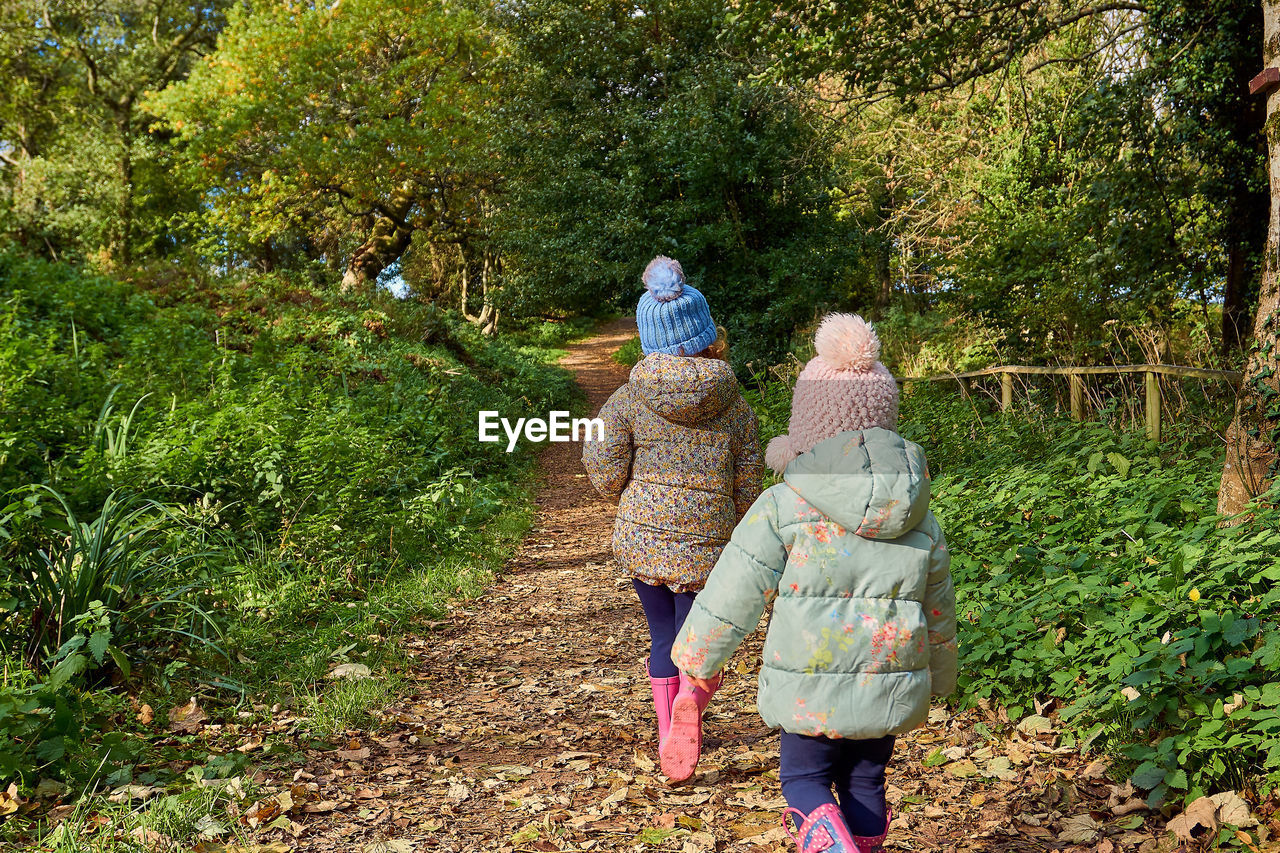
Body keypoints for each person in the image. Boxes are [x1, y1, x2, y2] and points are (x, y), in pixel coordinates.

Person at [671, 313, 957, 853]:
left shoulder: (784, 504)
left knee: (803, 781)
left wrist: (696, 665)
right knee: (866, 781)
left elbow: (733, 594)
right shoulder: (919, 514)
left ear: (808, 424)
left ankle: (826, 840)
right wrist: (939, 678)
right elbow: (937, 606)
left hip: (808, 688)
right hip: (888, 684)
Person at [583, 255, 762, 782]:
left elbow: (602, 458)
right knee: (697, 639)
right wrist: (740, 522)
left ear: (646, 336)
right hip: (709, 540)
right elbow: (748, 475)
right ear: (709, 334)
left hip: (645, 536)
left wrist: (617, 491)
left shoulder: (626, 397)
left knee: (661, 636)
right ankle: (693, 702)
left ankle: (670, 734)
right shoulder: (735, 403)